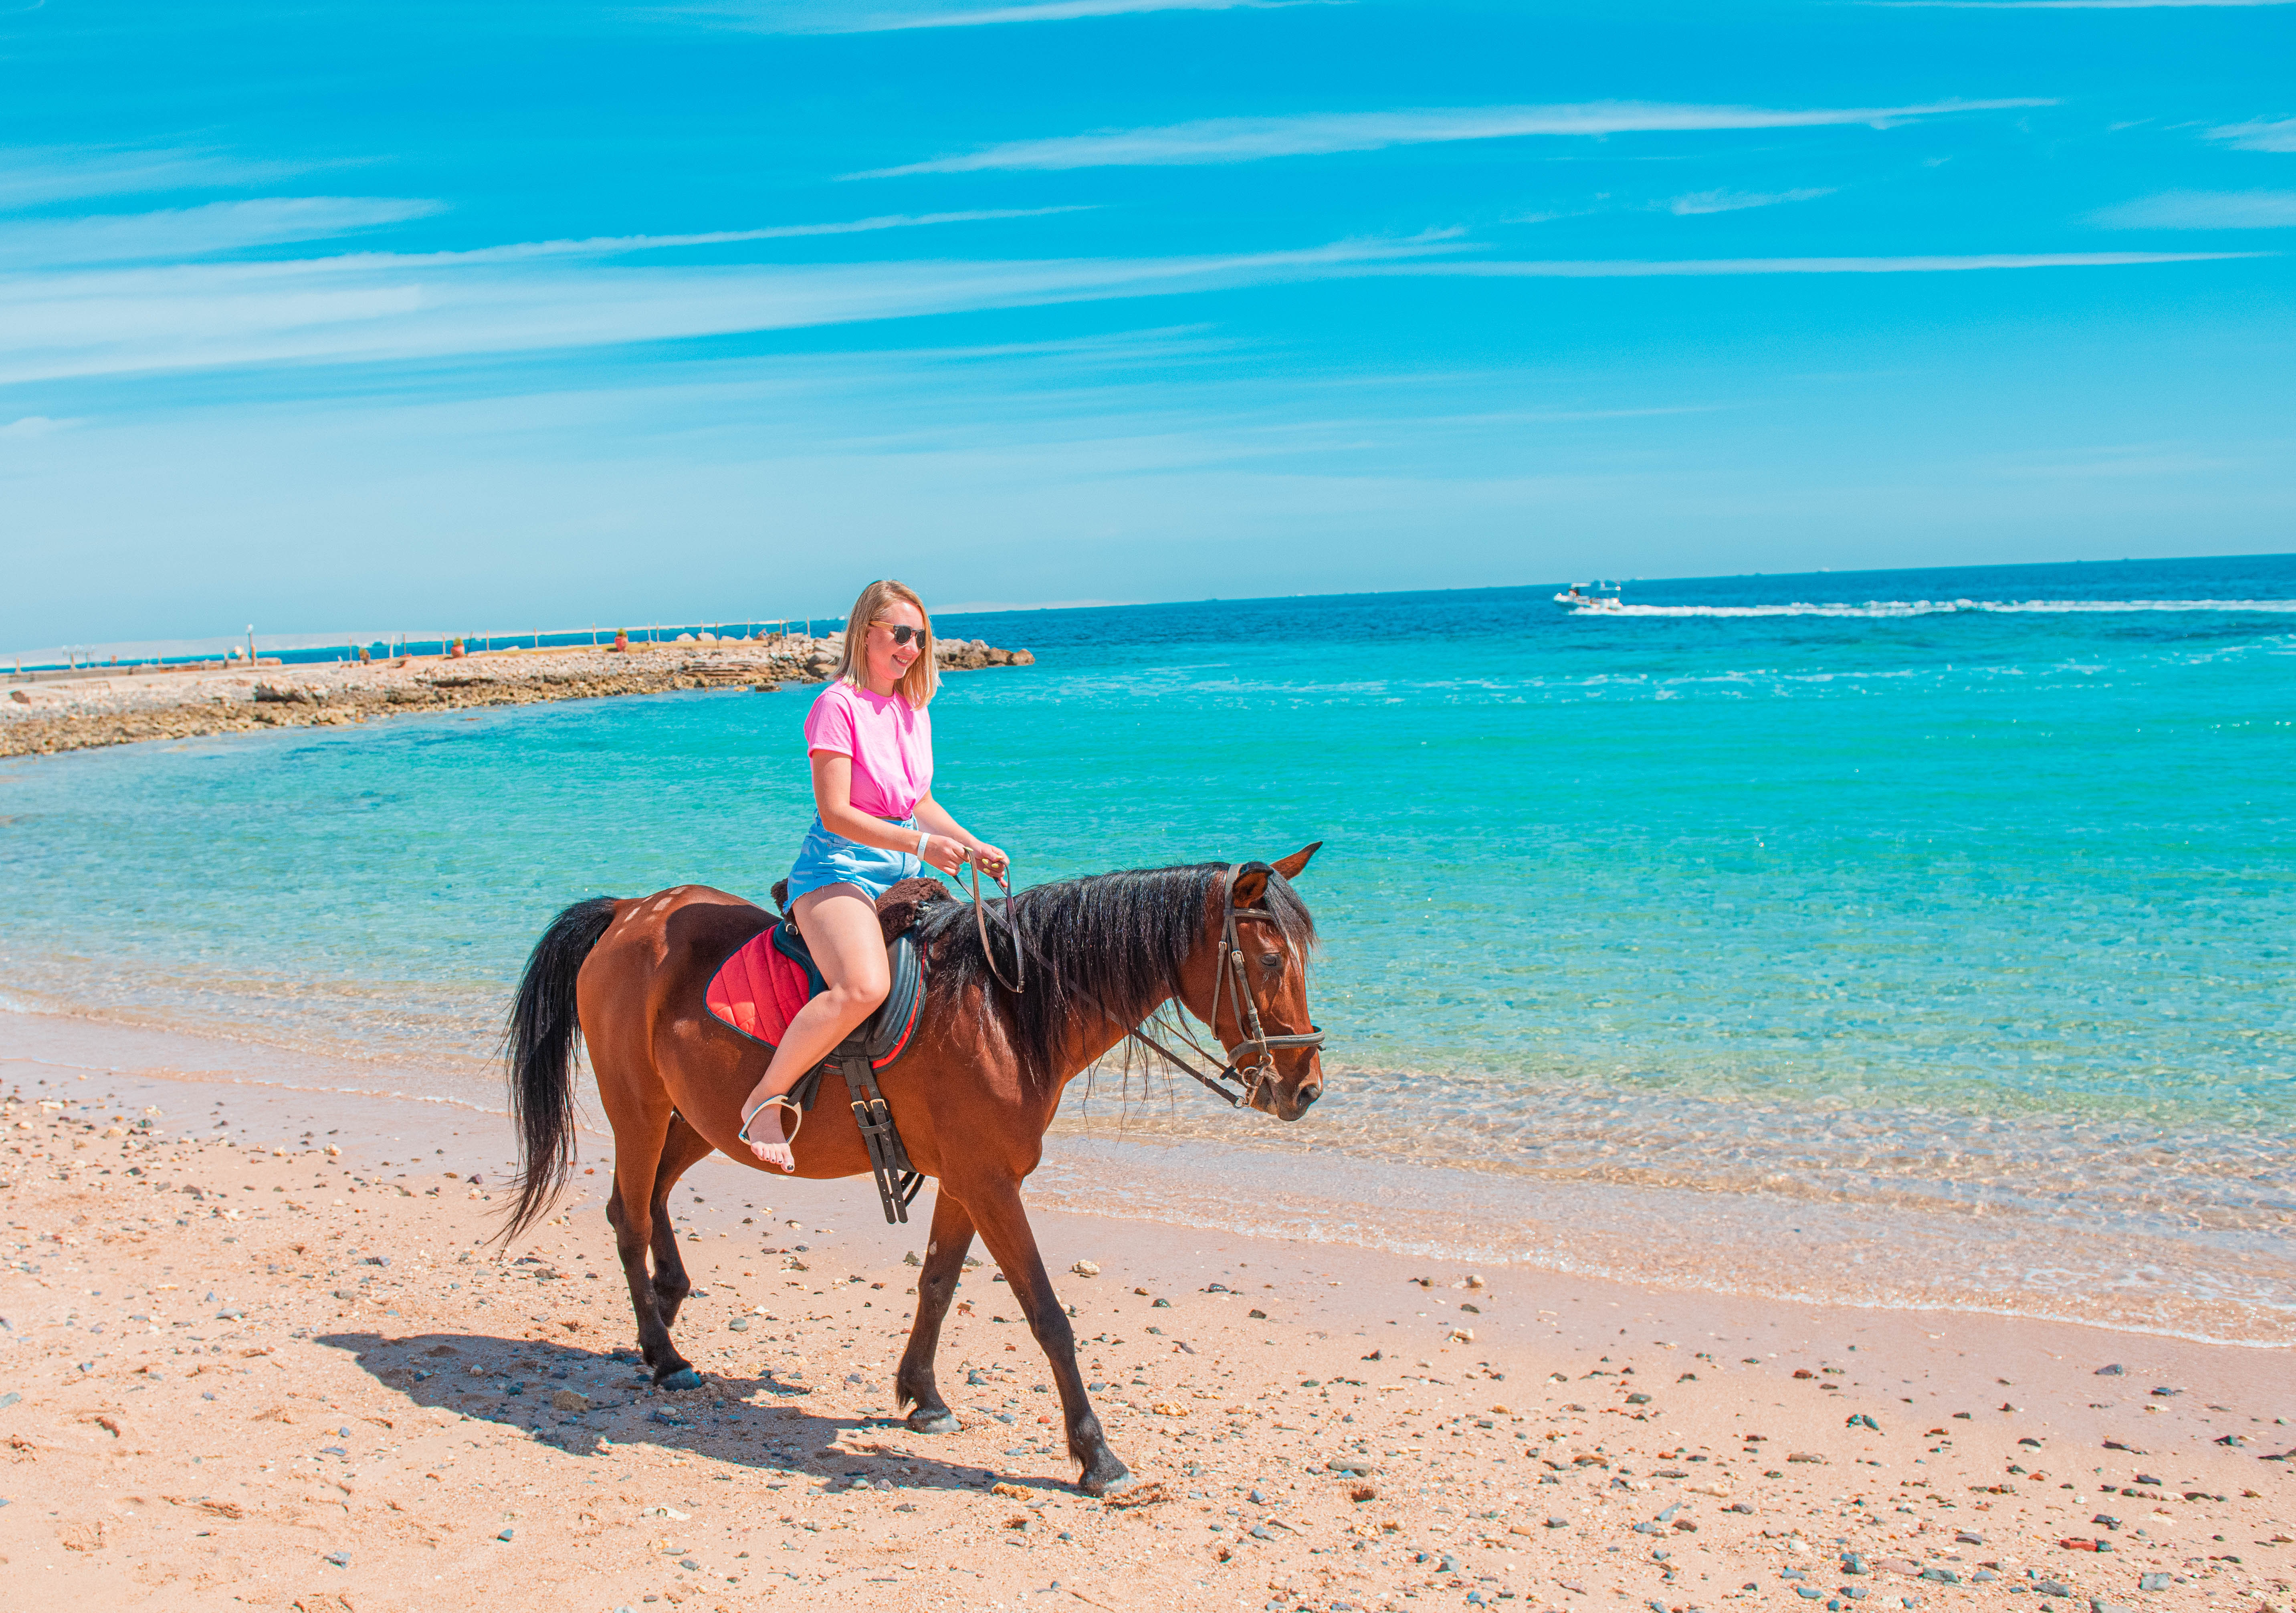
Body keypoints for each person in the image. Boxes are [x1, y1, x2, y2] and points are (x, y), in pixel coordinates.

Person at [737, 579, 1008, 1172]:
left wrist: (972, 844)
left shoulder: (914, 708)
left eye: (921, 636)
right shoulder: (837, 705)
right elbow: (837, 811)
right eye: (900, 634)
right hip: (837, 870)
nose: (911, 647)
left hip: (903, 869)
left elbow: (920, 800)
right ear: (866, 634)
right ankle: (765, 1098)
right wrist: (920, 843)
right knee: (862, 987)